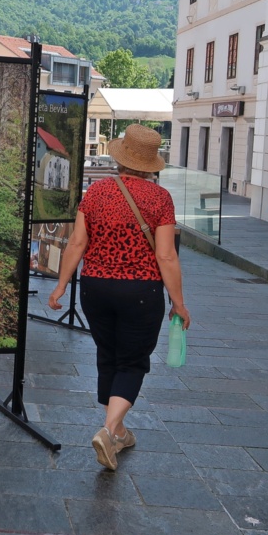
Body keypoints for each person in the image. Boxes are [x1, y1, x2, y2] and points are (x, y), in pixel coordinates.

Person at [49, 124, 190, 470]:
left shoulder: (96, 192)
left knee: (108, 354)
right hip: (140, 291)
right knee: (132, 361)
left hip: (95, 287)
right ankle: (109, 431)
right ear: (151, 163)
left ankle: (119, 430)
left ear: (121, 157)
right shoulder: (160, 199)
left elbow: (77, 243)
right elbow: (166, 256)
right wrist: (179, 303)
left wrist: (61, 285)